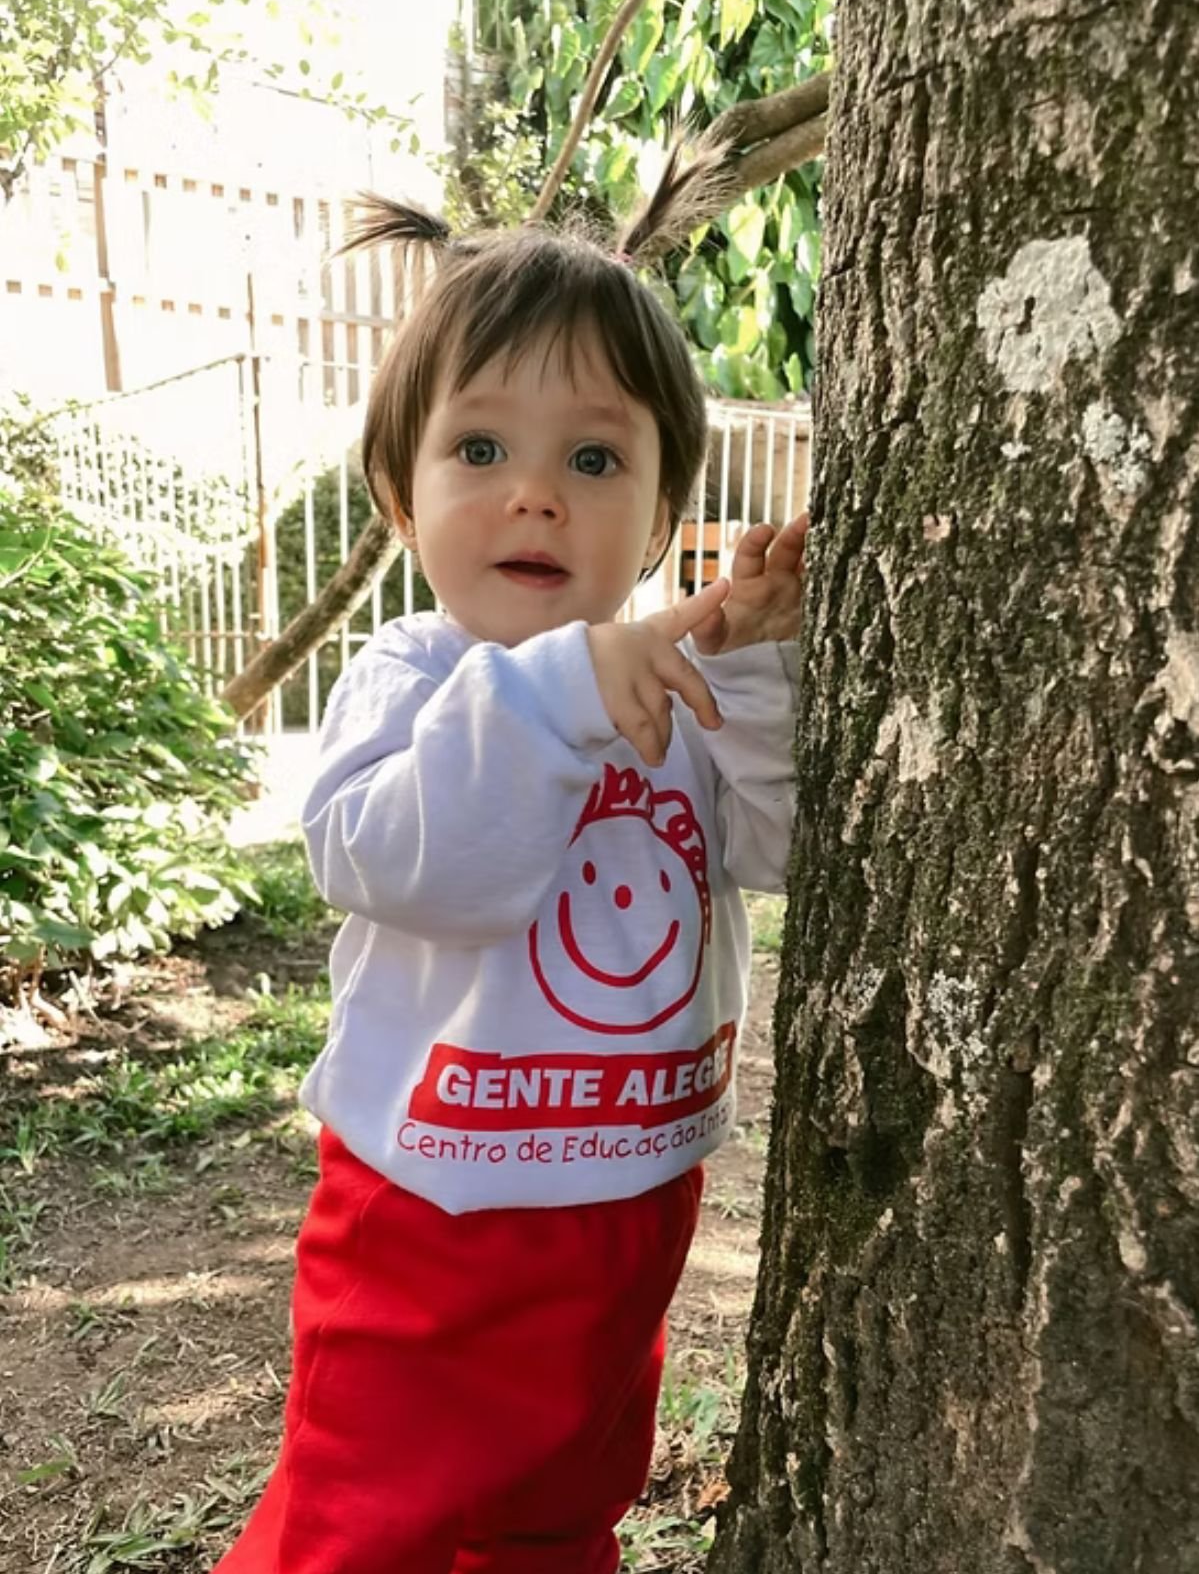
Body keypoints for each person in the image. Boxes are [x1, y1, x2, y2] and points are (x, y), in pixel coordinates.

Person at [214, 153, 808, 1574]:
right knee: (371, 1523)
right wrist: (555, 696)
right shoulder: (414, 673)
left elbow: (779, 846)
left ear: (659, 517)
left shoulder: (671, 679)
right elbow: (404, 863)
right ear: (400, 496)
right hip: (434, 1206)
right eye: (480, 450)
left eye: (593, 461)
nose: (536, 495)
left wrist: (756, 666)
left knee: (563, 1502)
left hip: (631, 1192)